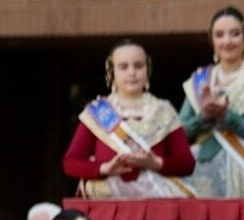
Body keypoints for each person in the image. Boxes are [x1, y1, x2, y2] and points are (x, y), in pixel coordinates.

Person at [62, 39, 198, 198]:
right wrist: (105, 168)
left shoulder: (163, 110)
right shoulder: (98, 112)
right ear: (112, 72)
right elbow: (71, 163)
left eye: (138, 66)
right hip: (108, 202)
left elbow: (187, 164)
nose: (132, 72)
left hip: (154, 202)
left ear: (147, 70)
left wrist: (155, 164)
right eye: (123, 67)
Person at [180, 6, 244, 198]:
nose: (227, 41)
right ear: (212, 40)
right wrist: (204, 117)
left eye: (234, 34)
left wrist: (227, 117)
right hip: (202, 171)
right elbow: (179, 132)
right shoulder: (199, 80)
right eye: (220, 35)